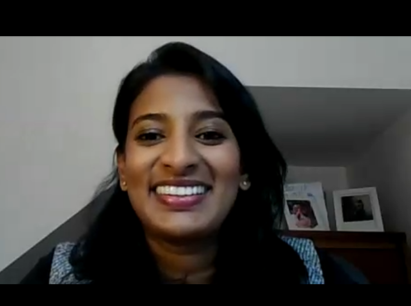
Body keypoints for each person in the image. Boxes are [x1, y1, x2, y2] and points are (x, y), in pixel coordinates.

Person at [20, 42, 366, 284]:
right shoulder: (58, 274)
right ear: (123, 168)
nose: (180, 158)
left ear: (244, 166)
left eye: (210, 135)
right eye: (151, 135)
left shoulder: (321, 275)